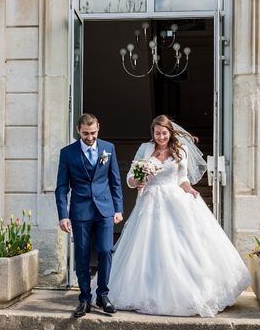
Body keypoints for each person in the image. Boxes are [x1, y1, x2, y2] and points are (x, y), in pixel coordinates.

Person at [106, 115, 250, 317]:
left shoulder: (180, 150)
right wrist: (138, 180)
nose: (161, 136)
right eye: (157, 133)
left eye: (164, 133)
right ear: (153, 133)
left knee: (182, 245)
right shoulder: (145, 149)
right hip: (149, 202)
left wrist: (190, 189)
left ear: (170, 132)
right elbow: (130, 178)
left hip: (174, 200)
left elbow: (182, 179)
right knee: (147, 247)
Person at [55, 113, 123, 318]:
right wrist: (63, 215)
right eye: (85, 133)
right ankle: (84, 298)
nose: (90, 137)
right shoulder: (67, 153)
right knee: (82, 256)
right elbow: (61, 187)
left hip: (105, 210)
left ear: (98, 128)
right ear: (78, 130)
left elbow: (115, 181)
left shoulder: (108, 148)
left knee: (105, 251)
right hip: (80, 211)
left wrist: (118, 208)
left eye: (93, 133)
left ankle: (103, 295)